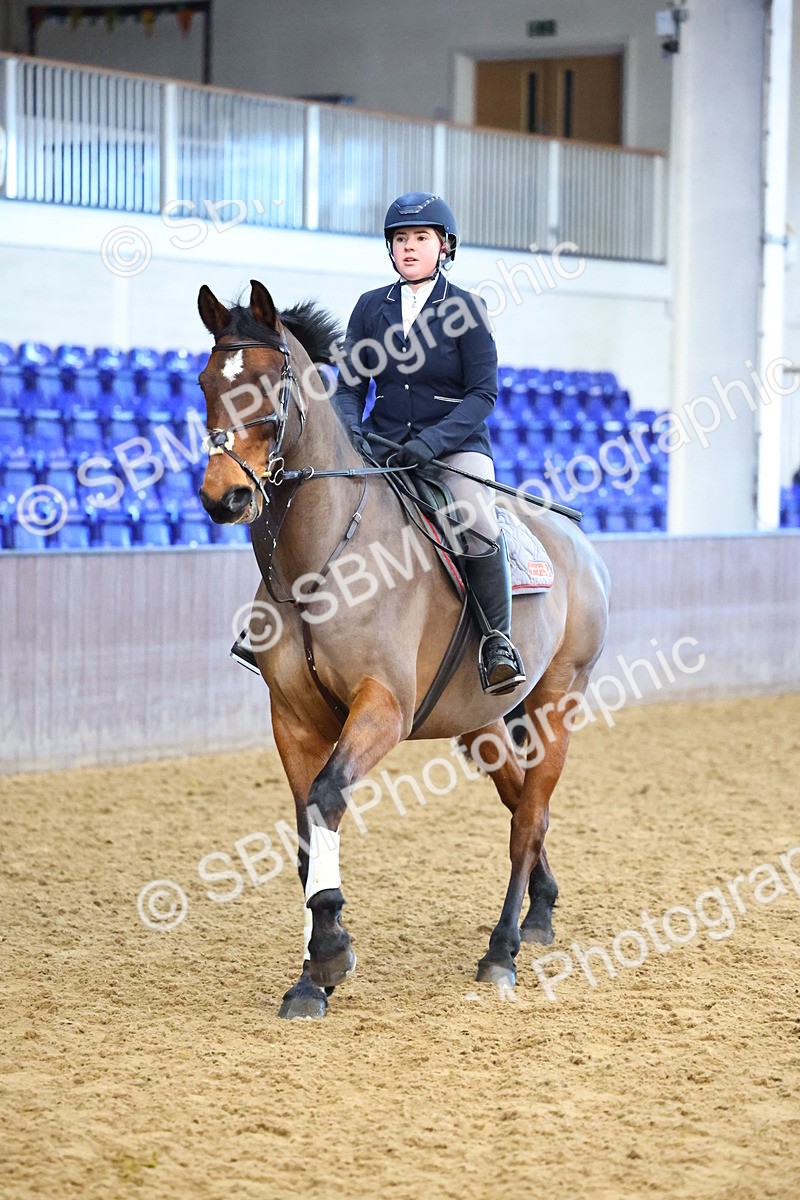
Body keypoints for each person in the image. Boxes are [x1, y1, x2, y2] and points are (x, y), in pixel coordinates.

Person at [333, 191, 526, 696]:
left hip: (455, 448)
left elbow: (483, 394)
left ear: (444, 246)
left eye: (421, 237)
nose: (409, 247)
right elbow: (349, 387)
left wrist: (434, 441)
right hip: (383, 445)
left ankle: (497, 643)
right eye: (400, 238)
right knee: (320, 507)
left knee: (475, 519)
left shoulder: (467, 308)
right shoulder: (370, 307)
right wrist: (353, 432)